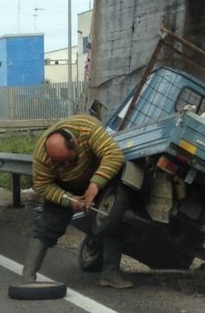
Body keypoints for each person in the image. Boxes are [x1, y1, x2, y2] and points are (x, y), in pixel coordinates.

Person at [22, 114, 133, 289]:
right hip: (64, 187)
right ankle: (28, 277)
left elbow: (114, 155)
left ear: (75, 143)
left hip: (97, 177)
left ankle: (109, 274)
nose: (66, 164)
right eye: (60, 163)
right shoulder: (42, 156)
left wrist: (95, 184)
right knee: (47, 227)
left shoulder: (87, 128)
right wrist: (67, 199)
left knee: (112, 218)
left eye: (69, 159)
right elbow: (42, 185)